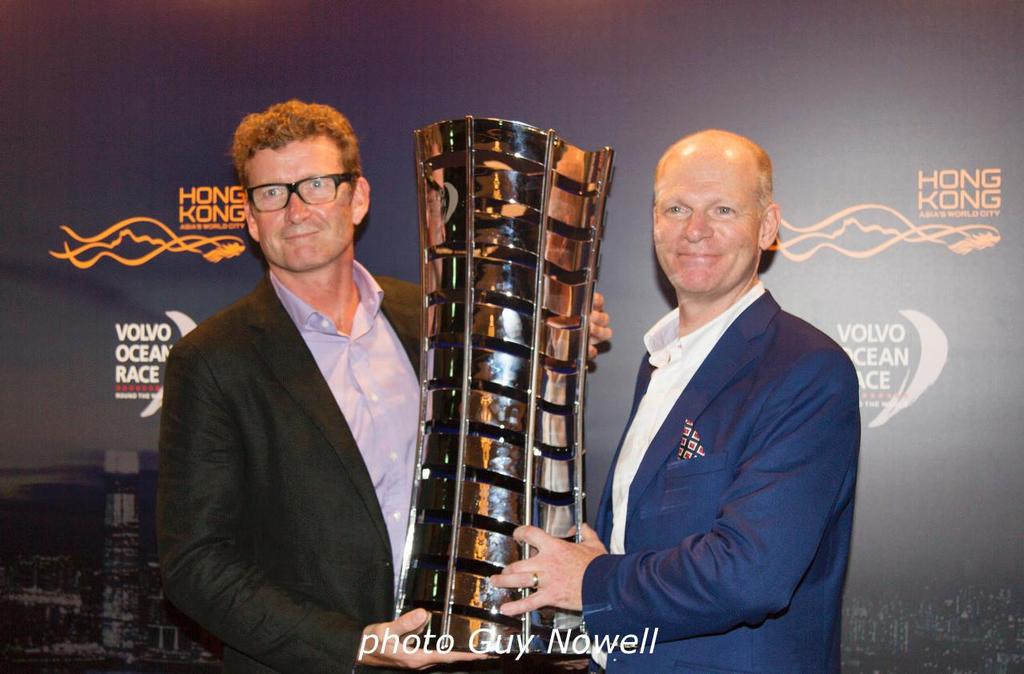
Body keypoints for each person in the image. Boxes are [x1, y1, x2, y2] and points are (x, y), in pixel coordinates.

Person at [157, 100, 611, 673]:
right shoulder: (211, 360)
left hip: (472, 658)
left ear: (359, 198)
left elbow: (504, 437)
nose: (295, 209)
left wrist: (555, 343)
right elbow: (195, 565)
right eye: (272, 192)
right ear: (249, 217)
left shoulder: (440, 318)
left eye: (317, 184)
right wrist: (356, 645)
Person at [492, 129, 860, 673]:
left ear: (768, 227)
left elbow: (751, 574)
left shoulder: (805, 369)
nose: (695, 230)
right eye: (676, 208)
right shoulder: (661, 361)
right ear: (653, 223)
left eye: (724, 209)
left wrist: (589, 581)